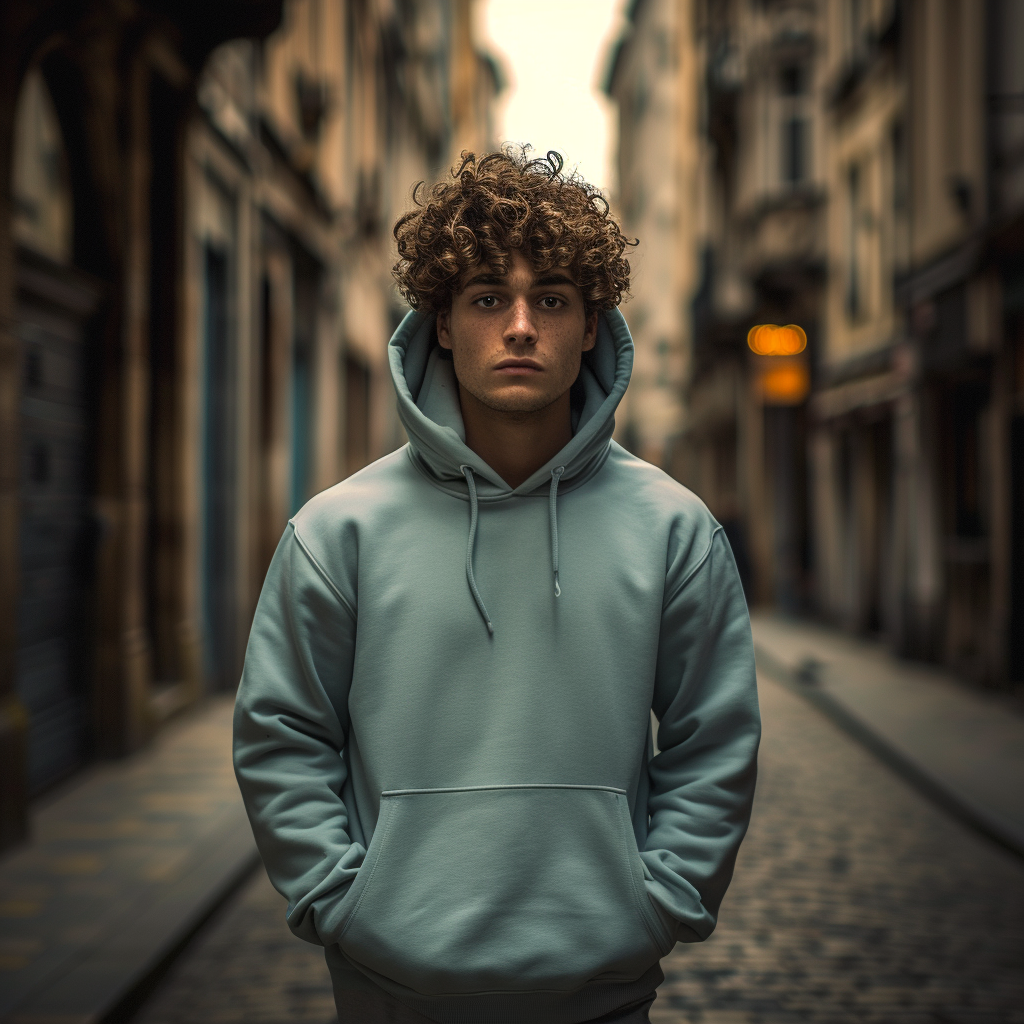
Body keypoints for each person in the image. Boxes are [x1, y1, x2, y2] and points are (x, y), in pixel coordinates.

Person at [233, 148, 760, 1024]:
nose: (521, 326)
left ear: (591, 324)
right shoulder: (336, 532)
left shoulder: (674, 530)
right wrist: (343, 899)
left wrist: (657, 901)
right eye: (488, 298)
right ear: (442, 321)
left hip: (602, 996)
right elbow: (280, 733)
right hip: (391, 998)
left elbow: (716, 739)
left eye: (551, 298)